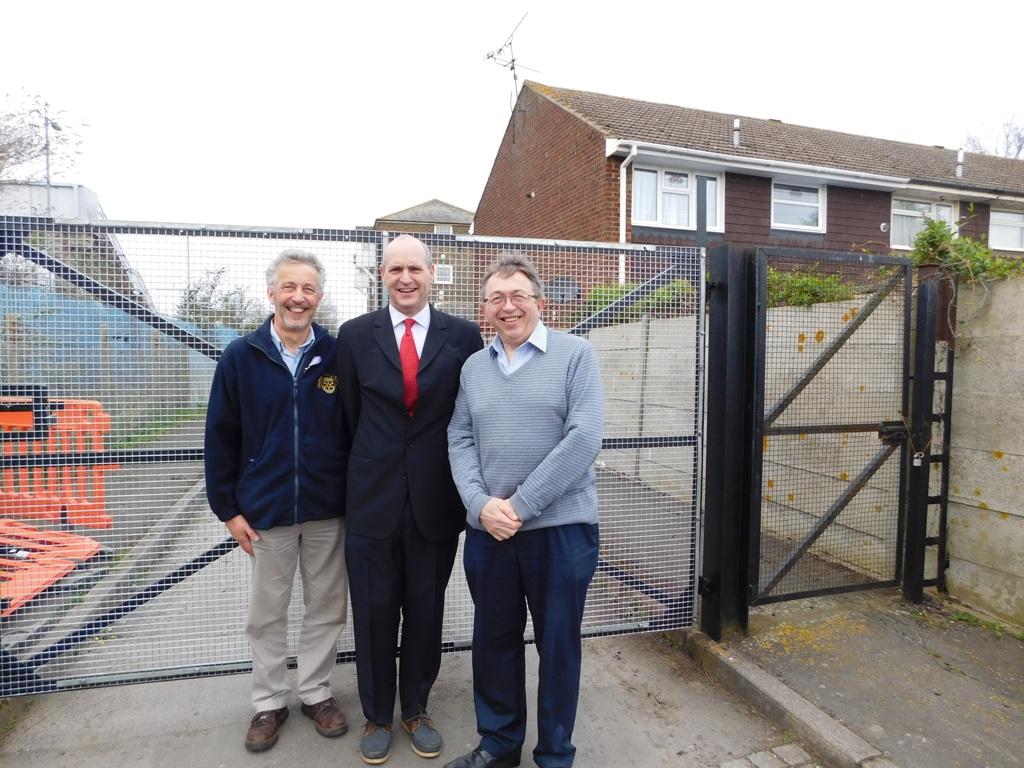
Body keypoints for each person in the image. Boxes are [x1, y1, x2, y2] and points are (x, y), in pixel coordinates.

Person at [446, 253, 604, 768]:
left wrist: (518, 505)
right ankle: (498, 745)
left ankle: (555, 754)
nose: (507, 306)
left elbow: (584, 439)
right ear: (485, 308)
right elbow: (460, 437)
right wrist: (479, 504)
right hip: (490, 533)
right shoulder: (474, 367)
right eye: (496, 298)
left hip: (560, 532)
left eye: (518, 296)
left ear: (541, 302)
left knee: (558, 649)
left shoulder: (576, 355)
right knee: (494, 644)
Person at [336, 234, 484, 764]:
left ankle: (416, 709)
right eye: (395, 268)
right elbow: (347, 416)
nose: (405, 278)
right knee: (374, 613)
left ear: (430, 273)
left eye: (414, 269)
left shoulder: (463, 336)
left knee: (425, 609)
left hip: (435, 501)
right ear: (383, 274)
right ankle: (377, 715)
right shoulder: (354, 336)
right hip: (371, 499)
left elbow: (471, 413)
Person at [204, 249, 350, 753]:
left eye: (308, 289)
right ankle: (268, 702)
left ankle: (315, 692)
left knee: (327, 608)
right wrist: (227, 509)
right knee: (267, 612)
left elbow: (354, 430)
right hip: (266, 513)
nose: (298, 297)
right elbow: (220, 437)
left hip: (328, 510)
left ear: (319, 297)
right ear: (271, 293)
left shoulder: (336, 355)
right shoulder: (241, 357)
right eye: (289, 287)